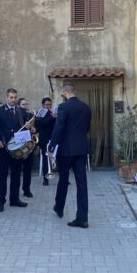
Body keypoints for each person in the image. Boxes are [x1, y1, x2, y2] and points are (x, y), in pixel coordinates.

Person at [50, 82, 92, 228]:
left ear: (65, 93)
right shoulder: (86, 107)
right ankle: (83, 218)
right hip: (81, 149)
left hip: (66, 150)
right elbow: (87, 128)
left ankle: (59, 208)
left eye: (62, 94)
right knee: (82, 184)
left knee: (63, 179)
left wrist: (52, 144)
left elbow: (59, 128)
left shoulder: (63, 107)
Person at [0, 88, 29, 212]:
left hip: (17, 148)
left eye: (15, 97)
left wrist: (29, 127)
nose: (13, 100)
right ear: (6, 97)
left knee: (17, 174)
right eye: (11, 97)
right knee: (2, 176)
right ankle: (0, 201)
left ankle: (14, 199)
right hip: (3, 148)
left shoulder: (21, 111)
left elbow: (25, 127)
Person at [35, 97, 57, 185]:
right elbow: (41, 124)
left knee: (59, 158)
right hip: (45, 139)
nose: (48, 106)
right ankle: (46, 179)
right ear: (43, 105)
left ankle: (65, 179)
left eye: (50, 105)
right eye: (47, 105)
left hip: (54, 139)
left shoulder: (53, 113)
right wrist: (52, 118)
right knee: (46, 159)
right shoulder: (40, 114)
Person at [18, 97, 37, 197]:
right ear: (19, 105)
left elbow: (34, 129)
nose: (25, 106)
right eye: (23, 105)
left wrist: (33, 129)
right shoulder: (16, 115)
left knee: (28, 169)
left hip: (28, 145)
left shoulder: (29, 115)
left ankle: (26, 189)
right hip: (18, 144)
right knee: (17, 169)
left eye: (26, 104)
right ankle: (15, 191)